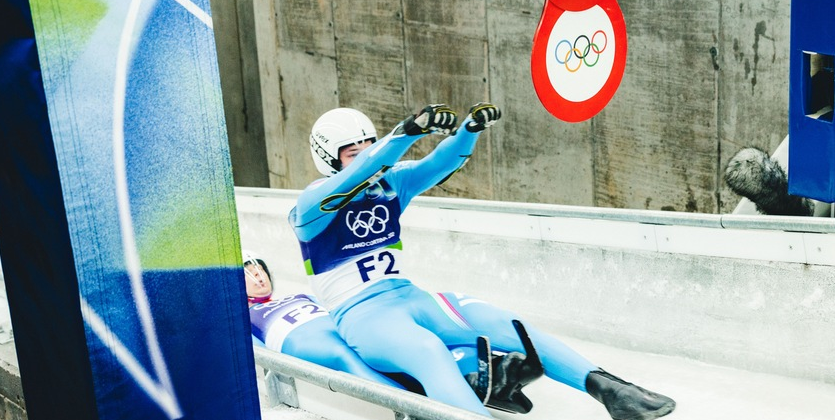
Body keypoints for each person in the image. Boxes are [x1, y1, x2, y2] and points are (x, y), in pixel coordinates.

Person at [289, 103, 676, 419]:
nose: (365, 161)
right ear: (329, 159)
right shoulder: (310, 208)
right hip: (364, 317)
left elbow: (439, 164)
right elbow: (355, 177)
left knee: (507, 324)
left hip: (412, 298)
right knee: (428, 353)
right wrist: (404, 134)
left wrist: (468, 130)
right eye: (353, 154)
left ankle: (612, 391)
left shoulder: (391, 183)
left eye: (367, 148)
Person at [244, 252, 407, 391]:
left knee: (375, 346)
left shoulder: (300, 296)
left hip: (335, 331)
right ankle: (410, 407)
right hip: (306, 342)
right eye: (249, 272)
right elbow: (261, 358)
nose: (258, 274)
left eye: (260, 269)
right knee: (343, 354)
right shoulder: (246, 319)